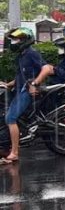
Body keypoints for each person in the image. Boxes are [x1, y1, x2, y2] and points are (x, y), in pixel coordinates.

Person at [1, 27, 54, 164]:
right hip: (20, 89)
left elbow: (47, 68)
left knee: (10, 118)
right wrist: (9, 84)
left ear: (25, 40)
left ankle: (14, 153)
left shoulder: (31, 53)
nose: (13, 42)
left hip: (27, 91)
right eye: (12, 39)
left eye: (16, 39)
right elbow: (21, 75)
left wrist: (35, 84)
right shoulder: (22, 55)